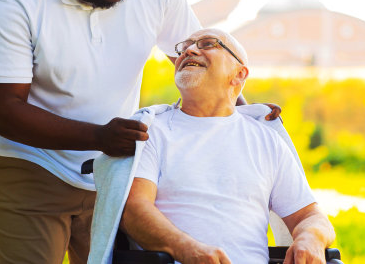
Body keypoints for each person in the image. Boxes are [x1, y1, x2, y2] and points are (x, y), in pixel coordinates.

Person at [0, 0, 279, 264]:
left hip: (116, 172)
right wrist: (98, 136)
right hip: (32, 164)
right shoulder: (12, 2)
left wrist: (243, 117)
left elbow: (204, 62)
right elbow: (4, 113)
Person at [121, 28, 336, 264]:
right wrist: (187, 249)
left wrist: (310, 238)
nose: (188, 51)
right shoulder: (151, 130)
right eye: (184, 48)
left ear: (239, 74)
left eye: (207, 44)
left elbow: (310, 215)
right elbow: (134, 210)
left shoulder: (267, 141)